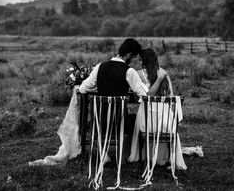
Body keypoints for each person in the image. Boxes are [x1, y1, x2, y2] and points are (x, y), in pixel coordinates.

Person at [28, 39, 167, 166]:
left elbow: (82, 89)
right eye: (135, 56)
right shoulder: (129, 72)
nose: (136, 60)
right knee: (136, 120)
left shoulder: (100, 67)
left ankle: (103, 153)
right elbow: (145, 95)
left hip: (99, 121)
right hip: (120, 122)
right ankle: (130, 154)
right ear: (129, 55)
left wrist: (99, 87)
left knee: (90, 124)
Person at [128, 48, 187, 170]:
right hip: (166, 123)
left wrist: (159, 80)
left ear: (144, 61)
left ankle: (144, 155)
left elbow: (147, 96)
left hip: (147, 122)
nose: (139, 62)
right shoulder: (163, 72)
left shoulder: (139, 73)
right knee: (164, 120)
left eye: (140, 60)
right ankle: (167, 156)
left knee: (141, 115)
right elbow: (171, 96)